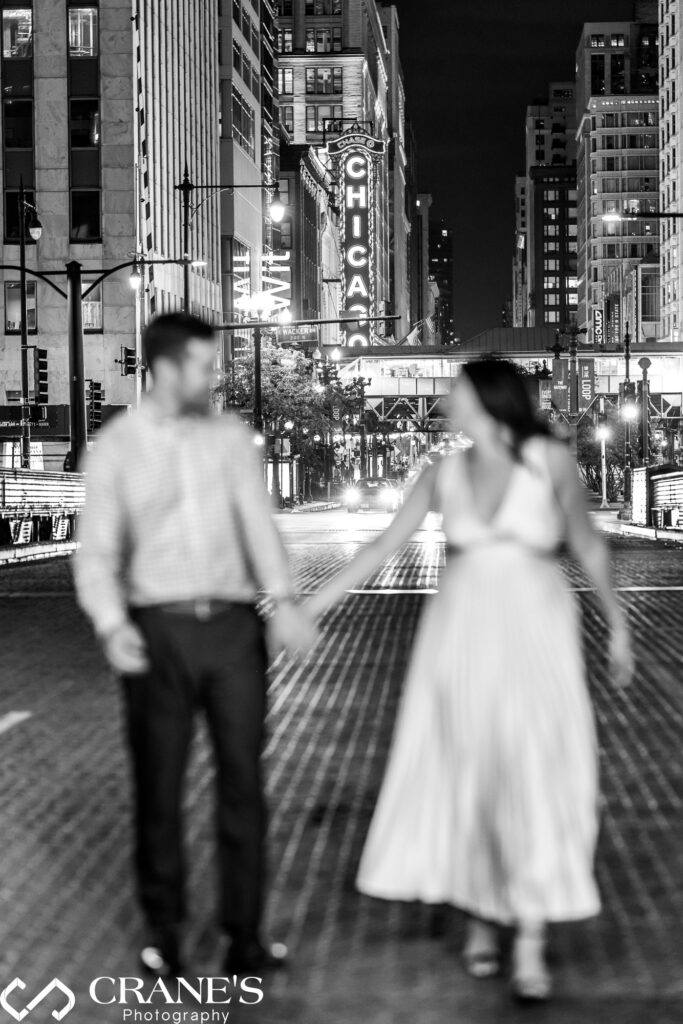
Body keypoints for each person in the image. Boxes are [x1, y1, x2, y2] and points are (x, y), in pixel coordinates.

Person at [305, 359, 632, 1003]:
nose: (446, 401)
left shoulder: (547, 460)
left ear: (487, 399)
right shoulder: (442, 472)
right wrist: (310, 604)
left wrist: (617, 622)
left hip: (537, 627)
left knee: (534, 768)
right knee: (470, 770)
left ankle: (530, 938)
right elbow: (380, 548)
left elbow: (586, 542)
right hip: (458, 635)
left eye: (456, 392)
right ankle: (482, 915)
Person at [73, 312, 316, 979]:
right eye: (205, 367)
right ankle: (164, 932)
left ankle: (244, 936)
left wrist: (285, 601)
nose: (214, 379)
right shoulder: (117, 448)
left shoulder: (231, 438)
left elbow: (257, 524)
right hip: (158, 630)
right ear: (169, 367)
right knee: (159, 784)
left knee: (244, 784)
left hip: (236, 629)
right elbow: (96, 552)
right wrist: (110, 623)